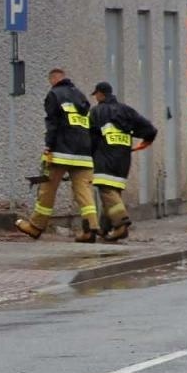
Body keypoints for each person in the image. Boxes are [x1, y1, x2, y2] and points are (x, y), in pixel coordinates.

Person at [15, 68, 99, 242]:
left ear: (53, 79)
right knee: (84, 191)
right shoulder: (81, 95)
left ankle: (35, 226)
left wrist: (49, 146)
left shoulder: (54, 94)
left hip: (61, 151)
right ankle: (91, 228)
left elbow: (52, 122)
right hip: (84, 152)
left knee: (47, 188)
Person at [87, 81, 157, 242]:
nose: (95, 98)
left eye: (96, 94)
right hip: (124, 158)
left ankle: (121, 223)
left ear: (101, 94)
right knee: (113, 193)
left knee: (106, 190)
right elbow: (150, 129)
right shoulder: (127, 110)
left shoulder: (96, 112)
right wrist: (146, 141)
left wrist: (88, 156)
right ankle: (105, 228)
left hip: (105, 157)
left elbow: (89, 138)